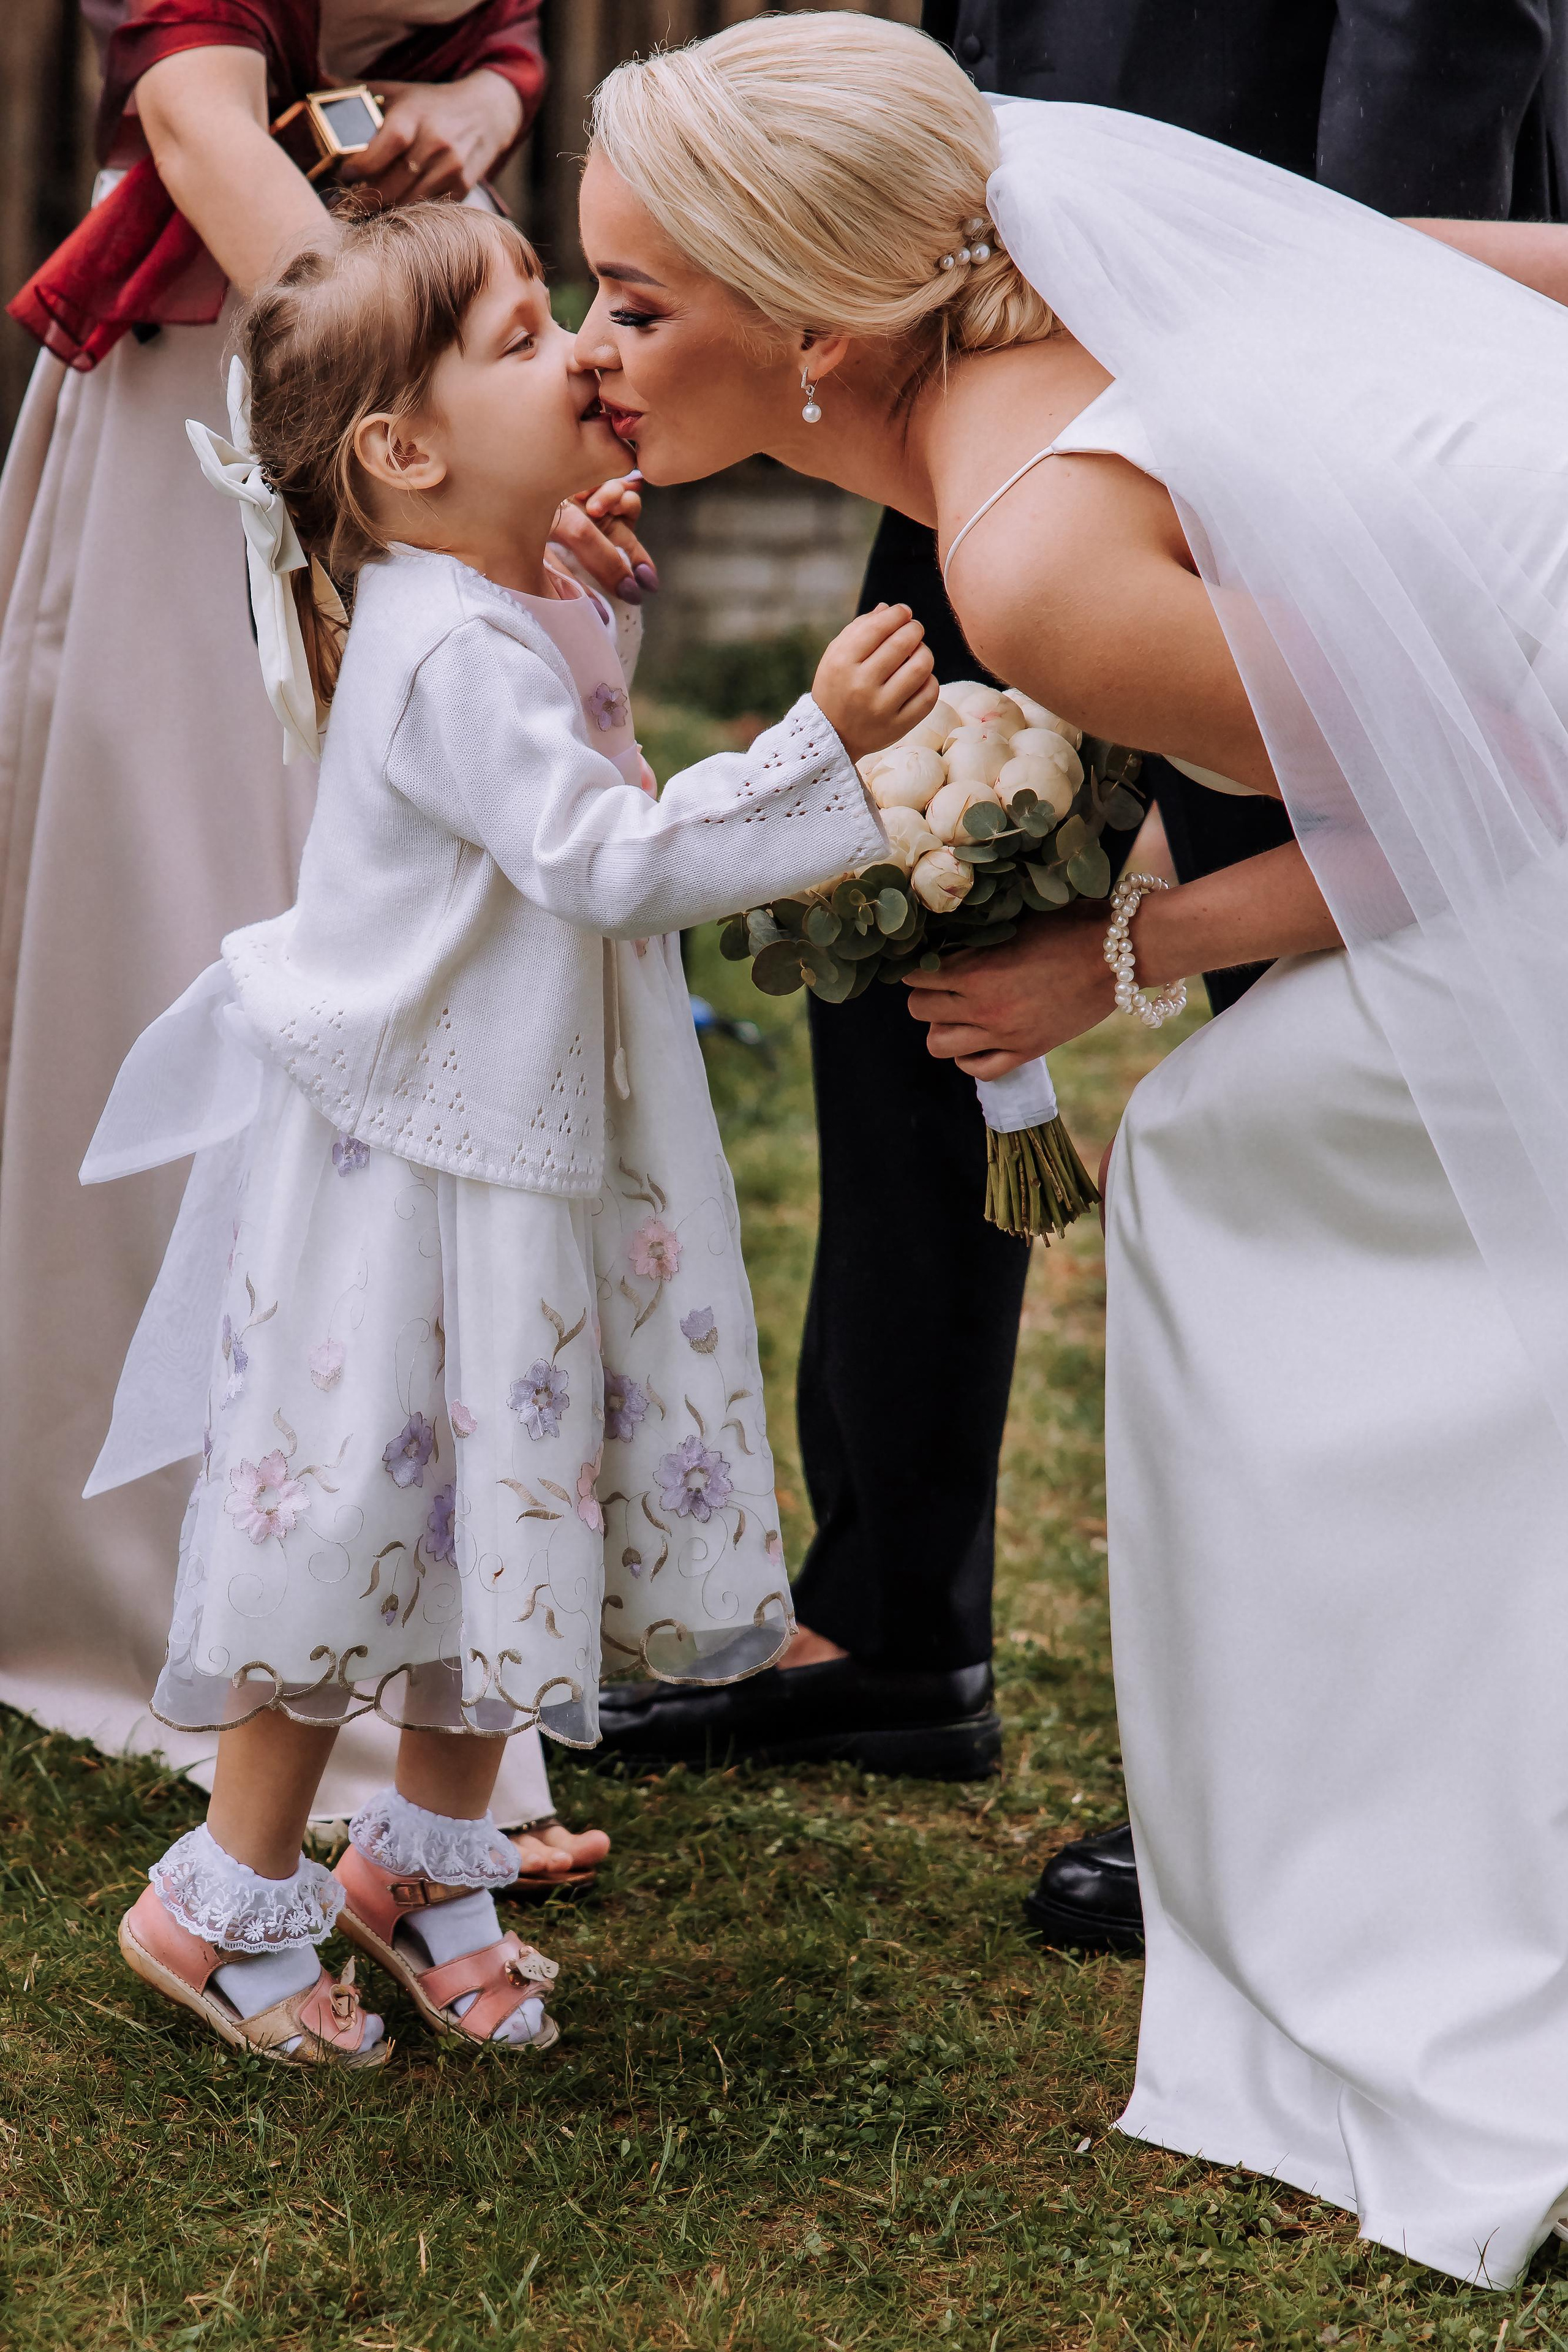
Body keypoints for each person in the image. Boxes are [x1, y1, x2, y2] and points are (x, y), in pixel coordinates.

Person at [570, 12, 1568, 2282]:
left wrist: (1118, 962)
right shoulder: (1110, 272)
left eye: (635, 304)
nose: (587, 349)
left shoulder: (1022, 563)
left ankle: (1422, 1914)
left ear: (822, 328)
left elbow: (1498, 783)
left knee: (1227, 1164)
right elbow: (1492, 271)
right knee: (1244, 1151)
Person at [98, 197, 930, 2060]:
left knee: (499, 1507)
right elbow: (603, 854)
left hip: (510, 1145)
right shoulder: (447, 653)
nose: (576, 350)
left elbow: (584, 767)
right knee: (366, 1513)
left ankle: (431, 1858)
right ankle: (220, 1899)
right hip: (422, 1169)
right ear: (402, 450)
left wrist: (582, 607)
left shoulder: (491, 602)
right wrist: (820, 748)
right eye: (517, 334)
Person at [0, 0, 643, 1864]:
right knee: (206, 935)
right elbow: (201, 119)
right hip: (254, 410)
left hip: (410, 391)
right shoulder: (396, 414)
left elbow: (508, 52)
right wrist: (405, 449)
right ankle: (185, 1589)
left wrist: (458, 102)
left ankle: (414, 1631)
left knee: (417, 980)